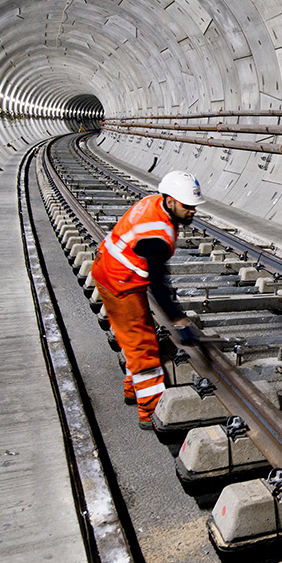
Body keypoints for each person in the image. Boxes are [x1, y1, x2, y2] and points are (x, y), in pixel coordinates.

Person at [91, 171, 203, 430]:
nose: (192, 212)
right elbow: (159, 285)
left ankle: (132, 389)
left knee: (137, 336)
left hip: (112, 270)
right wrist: (179, 320)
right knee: (142, 349)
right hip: (120, 283)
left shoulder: (155, 203)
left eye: (194, 206)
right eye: (187, 206)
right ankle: (150, 412)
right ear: (172, 201)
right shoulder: (157, 235)